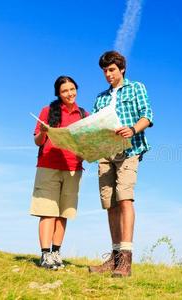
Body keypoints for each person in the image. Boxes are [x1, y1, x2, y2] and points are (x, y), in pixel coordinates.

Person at [88, 51, 153, 277]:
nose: (108, 74)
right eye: (105, 71)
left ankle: (126, 261)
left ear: (122, 69)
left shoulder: (136, 88)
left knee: (125, 198)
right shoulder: (101, 98)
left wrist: (133, 129)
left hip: (129, 149)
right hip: (105, 153)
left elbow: (147, 115)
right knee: (111, 204)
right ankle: (114, 259)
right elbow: (94, 125)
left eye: (112, 70)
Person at [30, 76, 88, 270]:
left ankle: (56, 253)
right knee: (47, 211)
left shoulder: (83, 114)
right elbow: (38, 141)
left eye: (72, 89)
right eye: (64, 91)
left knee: (63, 213)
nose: (69, 93)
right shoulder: (48, 111)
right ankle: (45, 254)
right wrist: (45, 132)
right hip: (48, 166)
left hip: (73, 168)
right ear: (58, 93)